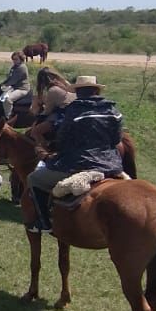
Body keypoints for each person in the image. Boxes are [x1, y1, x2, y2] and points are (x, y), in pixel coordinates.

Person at [26, 76, 123, 234]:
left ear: (78, 92)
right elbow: (116, 140)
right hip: (112, 166)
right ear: (97, 91)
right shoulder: (113, 111)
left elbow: (63, 141)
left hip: (79, 165)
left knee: (34, 179)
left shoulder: (73, 111)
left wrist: (46, 153)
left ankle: (44, 223)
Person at [0, 51, 30, 118]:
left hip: (22, 89)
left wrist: (4, 85)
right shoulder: (14, 67)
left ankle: (8, 116)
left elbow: (13, 81)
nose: (14, 61)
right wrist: (2, 84)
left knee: (7, 99)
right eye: (13, 59)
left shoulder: (22, 68)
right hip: (14, 87)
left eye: (16, 59)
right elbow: (9, 78)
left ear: (21, 59)